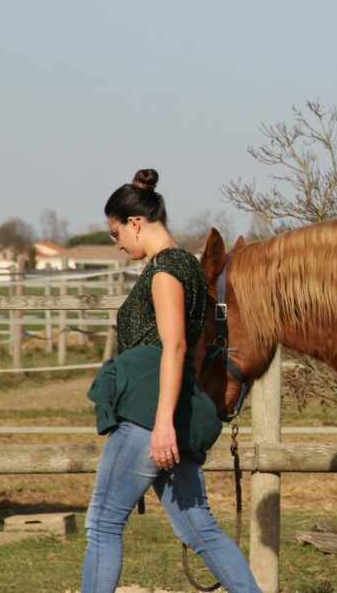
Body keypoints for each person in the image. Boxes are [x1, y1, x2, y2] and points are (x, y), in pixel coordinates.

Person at [82, 169, 261, 593]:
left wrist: (162, 424)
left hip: (150, 415)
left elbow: (176, 347)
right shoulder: (187, 268)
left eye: (115, 232)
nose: (117, 243)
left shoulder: (166, 270)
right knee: (199, 527)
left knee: (103, 523)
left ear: (136, 222)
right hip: (171, 409)